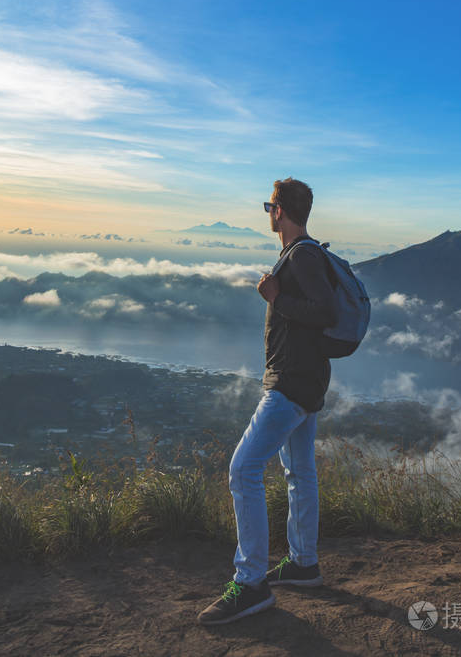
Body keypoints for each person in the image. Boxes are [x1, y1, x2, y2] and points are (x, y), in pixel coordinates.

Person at [198, 177, 337, 626]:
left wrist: (278, 297)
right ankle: (303, 564)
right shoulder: (302, 255)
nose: (268, 214)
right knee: (299, 471)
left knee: (244, 469)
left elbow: (326, 312)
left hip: (291, 386)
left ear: (279, 211)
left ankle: (252, 582)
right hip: (305, 381)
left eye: (269, 206)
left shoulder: (304, 256)